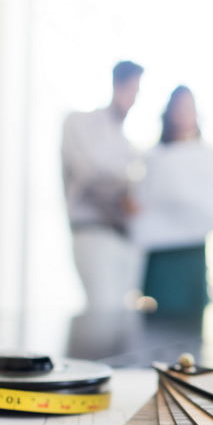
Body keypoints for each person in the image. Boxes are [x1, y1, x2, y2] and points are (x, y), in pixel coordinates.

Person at [60, 60, 144, 311]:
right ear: (117, 84)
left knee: (120, 314)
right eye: (131, 89)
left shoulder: (125, 141)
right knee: (102, 310)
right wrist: (124, 190)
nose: (133, 98)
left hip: (124, 236)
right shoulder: (80, 122)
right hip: (92, 231)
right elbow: (90, 172)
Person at [140, 86, 209, 316]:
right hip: (163, 250)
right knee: (160, 318)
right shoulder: (155, 157)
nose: (184, 113)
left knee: (192, 317)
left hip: (192, 250)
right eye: (179, 107)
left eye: (189, 107)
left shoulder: (206, 157)